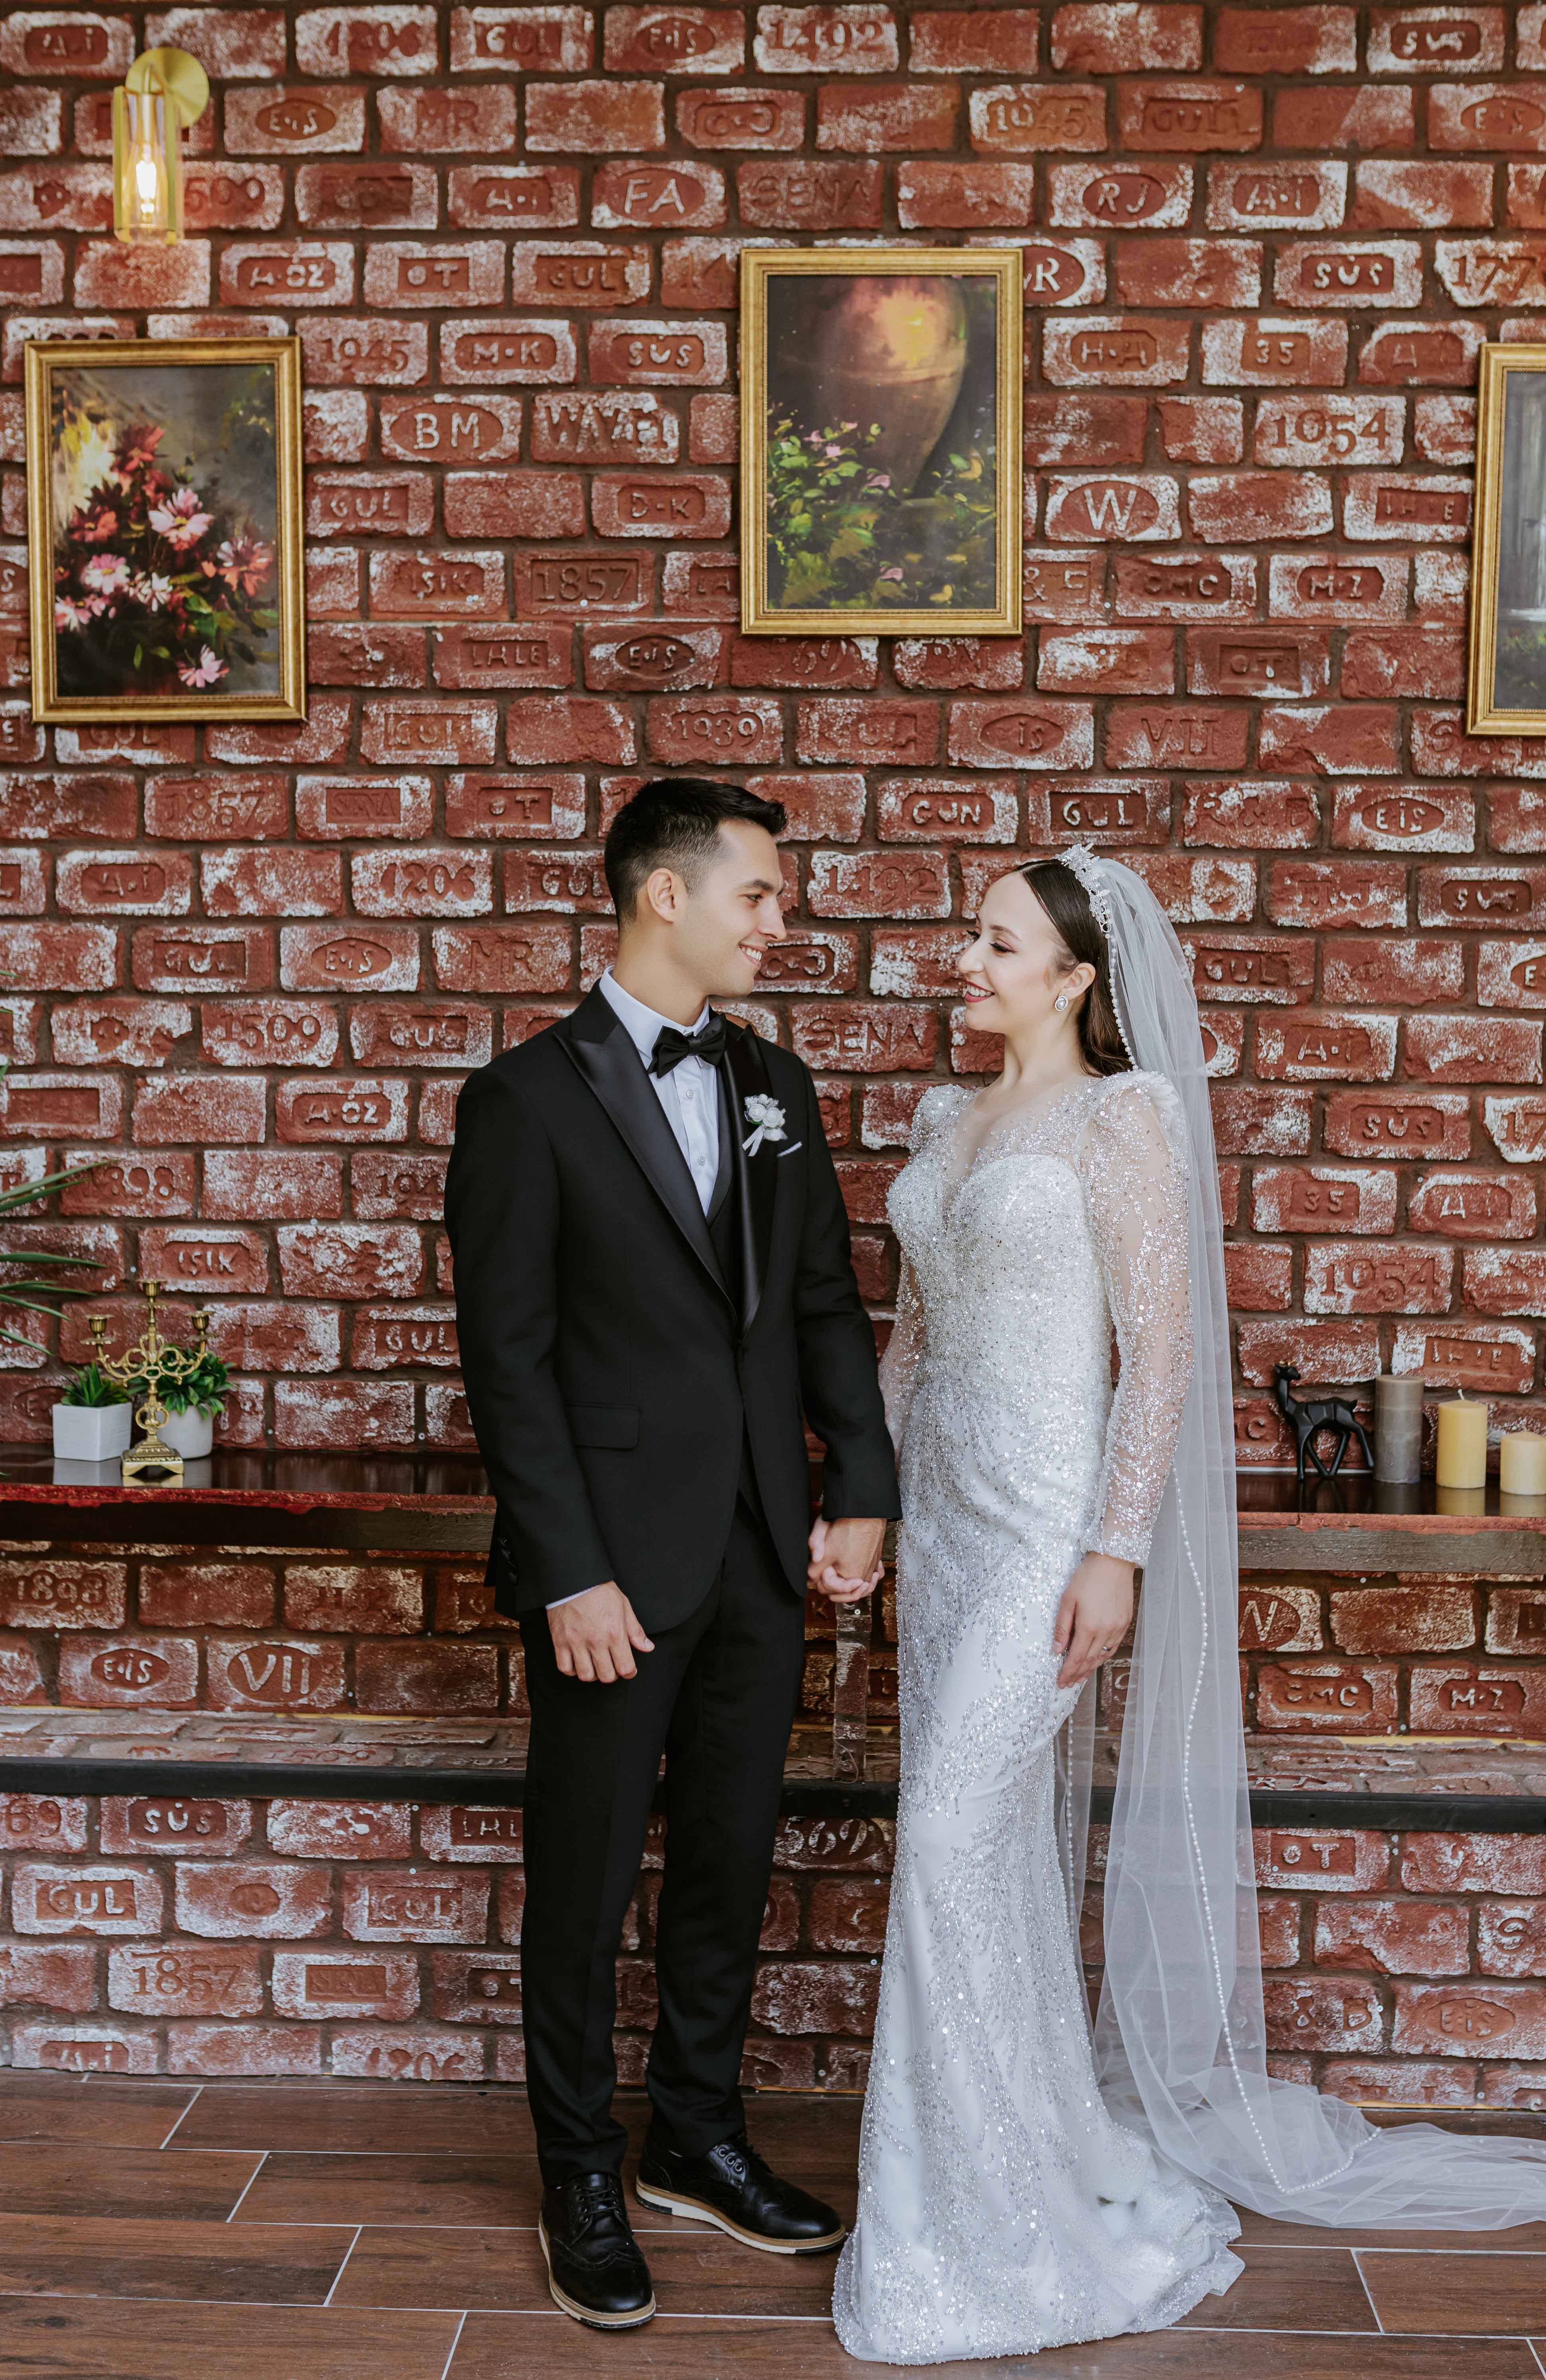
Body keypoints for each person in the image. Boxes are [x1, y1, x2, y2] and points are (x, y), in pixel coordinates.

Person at [833, 846, 1546, 2368]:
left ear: (1076, 976)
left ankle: (963, 2233)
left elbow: (1163, 1352)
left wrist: (1117, 1550)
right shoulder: (942, 1121)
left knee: (946, 1838)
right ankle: (1022, 2173)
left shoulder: (1124, 1116)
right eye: (973, 937)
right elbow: (915, 1339)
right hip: (947, 1533)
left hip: (1046, 1537)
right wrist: (872, 1506)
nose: (964, 960)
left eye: (997, 942)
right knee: (987, 1864)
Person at [446, 777, 899, 2333]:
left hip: (763, 1547)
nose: (779, 921)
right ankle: (577, 2170)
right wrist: (568, 1572)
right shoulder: (523, 1102)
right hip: (610, 1572)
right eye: (758, 894)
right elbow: (508, 1363)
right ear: (666, 896)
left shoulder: (776, 1082)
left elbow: (823, 1301)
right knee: (582, 1884)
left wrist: (863, 1486)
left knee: (727, 1859)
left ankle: (693, 2137)